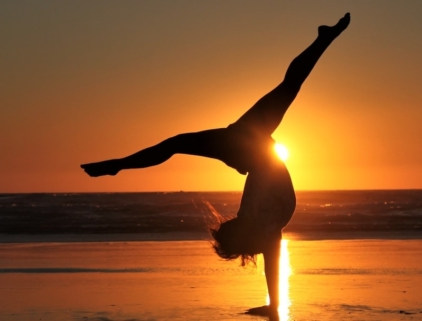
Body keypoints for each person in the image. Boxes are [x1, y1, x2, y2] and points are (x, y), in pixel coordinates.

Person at [81, 13, 350, 317]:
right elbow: (271, 249)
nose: (228, 219)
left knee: (179, 142)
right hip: (246, 144)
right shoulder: (264, 222)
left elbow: (272, 264)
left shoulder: (266, 228)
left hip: (249, 149)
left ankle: (120, 165)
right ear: (241, 233)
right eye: (228, 227)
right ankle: (324, 38)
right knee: (287, 88)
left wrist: (274, 306)